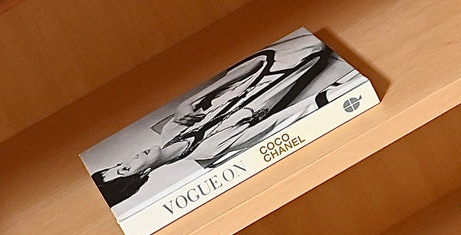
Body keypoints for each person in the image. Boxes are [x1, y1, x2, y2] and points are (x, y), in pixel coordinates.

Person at [92, 34, 350, 208]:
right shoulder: (210, 152)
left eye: (118, 163)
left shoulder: (173, 126)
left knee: (309, 42)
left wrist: (194, 98)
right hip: (299, 77)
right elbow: (279, 122)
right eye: (125, 168)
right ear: (139, 177)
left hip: (274, 60)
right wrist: (333, 95)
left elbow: (237, 76)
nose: (130, 158)